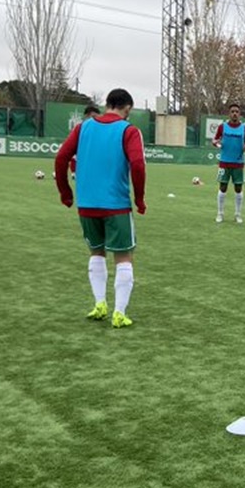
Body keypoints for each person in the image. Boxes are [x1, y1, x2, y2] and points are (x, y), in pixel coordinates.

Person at [53, 88, 146, 329]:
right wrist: (140, 199)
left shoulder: (83, 128)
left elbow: (61, 157)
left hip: (86, 205)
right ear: (127, 108)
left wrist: (66, 192)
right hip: (116, 204)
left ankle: (99, 303)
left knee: (96, 253)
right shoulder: (129, 130)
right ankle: (119, 312)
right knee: (124, 256)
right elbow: (137, 164)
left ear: (107, 105)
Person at [212, 102, 245, 224]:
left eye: (237, 112)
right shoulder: (222, 127)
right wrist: (216, 143)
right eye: (232, 111)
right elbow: (215, 139)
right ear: (229, 114)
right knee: (223, 187)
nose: (234, 114)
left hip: (238, 163)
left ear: (240, 114)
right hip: (224, 162)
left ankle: (238, 214)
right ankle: (220, 213)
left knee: (238, 188)